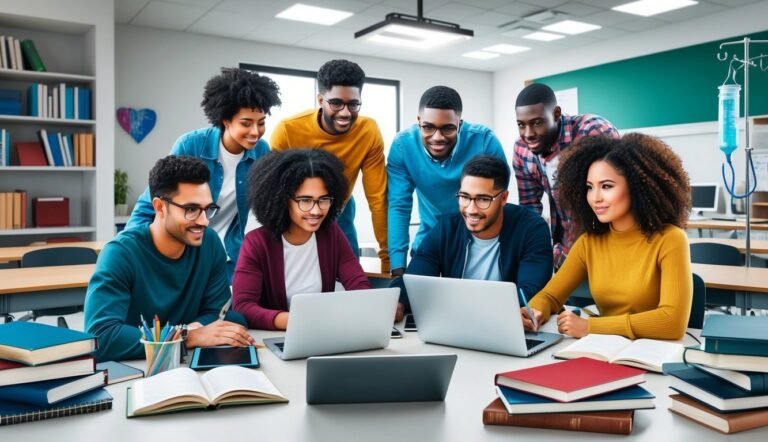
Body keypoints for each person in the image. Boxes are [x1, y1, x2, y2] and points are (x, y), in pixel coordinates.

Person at [522, 133, 693, 340]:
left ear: (637, 187)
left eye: (606, 186)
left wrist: (591, 327)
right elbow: (550, 295)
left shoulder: (671, 239)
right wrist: (535, 311)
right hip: (604, 350)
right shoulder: (588, 243)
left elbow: (672, 322)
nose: (595, 198)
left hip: (653, 354)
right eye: (589, 187)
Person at [85, 156, 255, 362]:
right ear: (159, 207)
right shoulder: (119, 254)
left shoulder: (209, 243)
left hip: (188, 362)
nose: (203, 221)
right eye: (191, 210)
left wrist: (191, 334)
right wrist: (186, 336)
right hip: (135, 368)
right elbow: (101, 337)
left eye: (208, 209)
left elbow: (218, 314)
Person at [125, 67, 281, 281]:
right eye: (246, 123)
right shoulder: (191, 145)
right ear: (226, 120)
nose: (255, 132)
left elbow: (266, 210)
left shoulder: (262, 152)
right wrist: (129, 251)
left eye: (261, 123)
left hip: (228, 255)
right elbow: (151, 202)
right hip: (185, 246)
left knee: (228, 312)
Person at [232, 149, 374, 330]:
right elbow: (243, 307)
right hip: (274, 339)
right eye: (305, 200)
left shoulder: (331, 234)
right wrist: (298, 321)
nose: (316, 211)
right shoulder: (257, 242)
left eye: (323, 200)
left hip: (323, 334)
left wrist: (370, 307)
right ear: (282, 200)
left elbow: (358, 284)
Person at [270, 59, 389, 272]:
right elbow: (273, 191)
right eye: (336, 103)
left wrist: (388, 262)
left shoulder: (368, 131)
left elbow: (378, 199)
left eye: (353, 104)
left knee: (348, 271)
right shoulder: (288, 130)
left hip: (340, 207)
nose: (345, 113)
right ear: (321, 99)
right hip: (296, 211)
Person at [392, 156, 552, 312]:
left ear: (503, 198)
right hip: (457, 326)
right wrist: (398, 304)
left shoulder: (532, 229)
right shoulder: (447, 229)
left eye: (483, 199)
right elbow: (414, 280)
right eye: (464, 197)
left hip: (508, 326)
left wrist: (471, 310)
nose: (471, 209)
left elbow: (530, 292)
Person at [388, 86, 506, 278]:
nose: (437, 137)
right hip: (430, 240)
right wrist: (397, 264)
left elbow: (497, 200)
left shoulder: (485, 141)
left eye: (448, 128)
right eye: (428, 127)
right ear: (419, 122)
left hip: (478, 245)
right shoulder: (403, 146)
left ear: (459, 123)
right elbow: (399, 206)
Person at [513, 83, 619, 269]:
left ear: (556, 114)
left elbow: (618, 191)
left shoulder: (592, 131)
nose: (528, 134)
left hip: (610, 246)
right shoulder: (523, 149)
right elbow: (530, 209)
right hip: (565, 252)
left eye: (537, 122)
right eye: (521, 125)